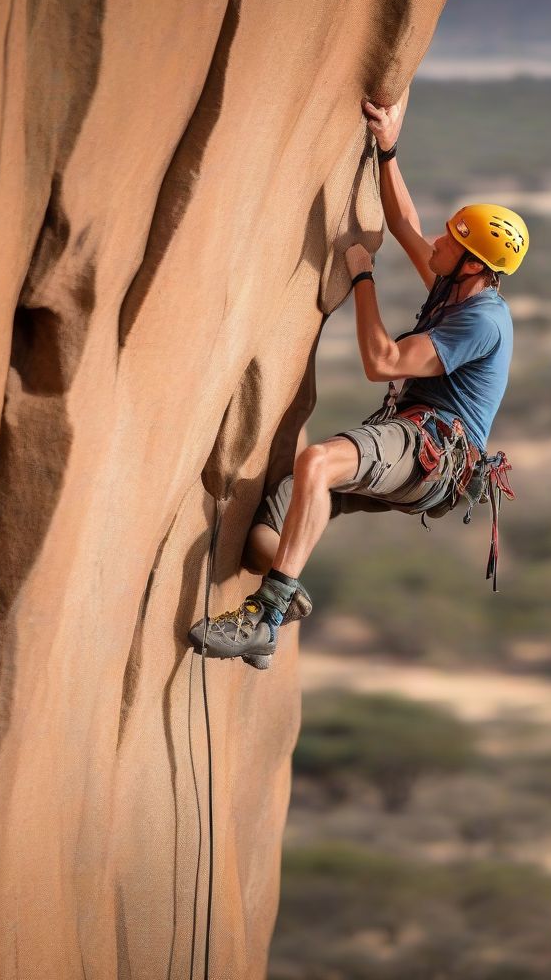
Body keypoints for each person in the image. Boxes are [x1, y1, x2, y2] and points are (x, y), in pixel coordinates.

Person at [189, 88, 528, 669]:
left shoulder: (482, 318)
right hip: (414, 444)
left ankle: (263, 620)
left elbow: (384, 364)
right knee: (266, 537)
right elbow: (403, 221)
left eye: (454, 242)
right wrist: (388, 148)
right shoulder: (458, 285)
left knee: (317, 462)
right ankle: (284, 590)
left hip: (430, 447)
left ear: (474, 265)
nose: (439, 243)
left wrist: (364, 278)